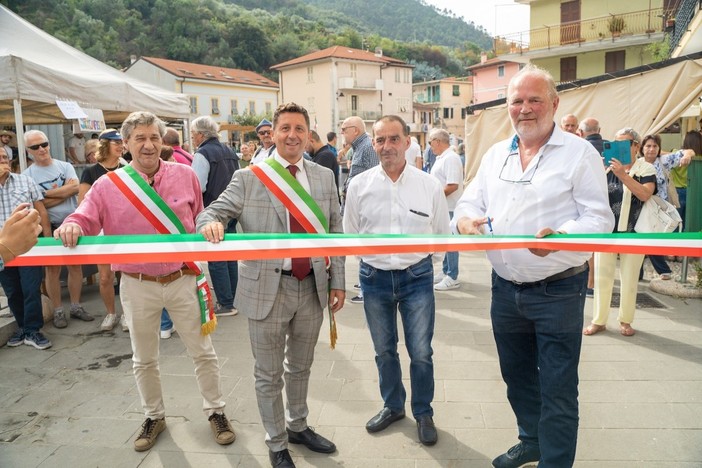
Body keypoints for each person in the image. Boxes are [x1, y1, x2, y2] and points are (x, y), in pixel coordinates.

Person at [452, 64, 614, 468]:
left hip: (557, 289)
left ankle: (555, 461)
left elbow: (600, 219)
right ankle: (532, 440)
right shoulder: (496, 155)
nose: (525, 109)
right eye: (516, 101)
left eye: (534, 100)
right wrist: (466, 221)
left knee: (558, 386)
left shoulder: (580, 154)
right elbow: (470, 203)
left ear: (554, 103)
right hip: (505, 289)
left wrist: (560, 235)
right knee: (517, 376)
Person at [54, 111, 236, 452]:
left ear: (162, 141)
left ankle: (216, 411)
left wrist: (208, 225)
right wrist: (73, 225)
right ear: (126, 144)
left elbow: (199, 215)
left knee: (203, 353)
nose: (148, 145)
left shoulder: (185, 175)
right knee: (144, 358)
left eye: (154, 137)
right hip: (137, 283)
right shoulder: (108, 185)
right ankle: (154, 416)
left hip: (183, 277)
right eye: (140, 138)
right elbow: (84, 216)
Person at [197, 102, 345, 468]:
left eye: (299, 129)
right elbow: (211, 211)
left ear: (309, 134)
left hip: (312, 287)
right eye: (285, 128)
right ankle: (277, 442)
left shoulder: (324, 177)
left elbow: (336, 233)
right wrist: (209, 225)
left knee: (302, 365)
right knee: (268, 373)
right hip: (267, 287)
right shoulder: (250, 177)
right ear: (273, 134)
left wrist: (337, 281)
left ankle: (298, 426)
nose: (292, 135)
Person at [344, 115, 448, 446]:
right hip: (374, 278)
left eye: (393, 139)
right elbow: (350, 233)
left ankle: (423, 411)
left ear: (406, 142)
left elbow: (442, 235)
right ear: (373, 144)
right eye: (380, 140)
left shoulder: (428, 184)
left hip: (416, 277)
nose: (386, 146)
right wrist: (370, 264)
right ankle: (392, 406)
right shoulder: (359, 185)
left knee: (420, 351)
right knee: (383, 350)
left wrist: (427, 268)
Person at [585, 127, 655, 338]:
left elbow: (644, 195)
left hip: (634, 232)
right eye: (615, 143)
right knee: (602, 276)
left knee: (630, 277)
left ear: (636, 146)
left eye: (623, 143)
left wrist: (623, 175)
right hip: (606, 231)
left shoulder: (646, 169)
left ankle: (625, 320)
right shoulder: (607, 169)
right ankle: (599, 320)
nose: (618, 147)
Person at [23, 130, 91, 328]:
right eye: (36, 147)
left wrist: (44, 195)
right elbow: (37, 205)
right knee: (52, 269)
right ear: (28, 151)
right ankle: (59, 310)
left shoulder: (65, 165)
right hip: (49, 226)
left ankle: (76, 306)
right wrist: (62, 193)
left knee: (75, 266)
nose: (42, 149)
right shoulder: (27, 176)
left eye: (44, 144)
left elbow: (75, 188)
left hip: (71, 222)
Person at [0, 146, 52, 349]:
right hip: (3, 249)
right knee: (12, 291)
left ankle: (33, 330)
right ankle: (22, 327)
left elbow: (41, 211)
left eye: (5, 157)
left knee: (31, 288)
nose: (3, 160)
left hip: (29, 247)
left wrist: (47, 241)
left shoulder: (25, 181)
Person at [190, 115, 240, 318]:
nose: (193, 139)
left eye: (193, 135)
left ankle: (226, 303)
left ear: (201, 135)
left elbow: (197, 186)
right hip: (232, 208)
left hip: (213, 210)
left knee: (217, 257)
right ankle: (234, 298)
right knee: (230, 256)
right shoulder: (229, 150)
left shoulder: (203, 153)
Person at [77, 128, 126, 332]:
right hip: (102, 230)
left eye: (122, 143)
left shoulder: (127, 168)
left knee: (126, 275)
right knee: (105, 276)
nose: (121, 146)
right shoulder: (91, 171)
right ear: (105, 145)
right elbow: (83, 202)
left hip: (124, 227)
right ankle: (111, 313)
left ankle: (126, 314)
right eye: (117, 143)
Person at [638, 133, 693, 279]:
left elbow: (689, 151)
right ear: (642, 148)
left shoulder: (663, 161)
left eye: (655, 146)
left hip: (658, 208)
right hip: (639, 206)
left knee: (649, 238)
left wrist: (687, 155)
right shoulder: (638, 163)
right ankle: (650, 272)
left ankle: (662, 271)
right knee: (641, 238)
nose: (651, 149)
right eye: (648, 146)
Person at [341, 116, 379, 304]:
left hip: (366, 208)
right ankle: (365, 284)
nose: (342, 133)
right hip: (359, 207)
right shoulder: (358, 147)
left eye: (344, 129)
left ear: (355, 130)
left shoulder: (367, 148)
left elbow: (374, 178)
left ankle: (368, 290)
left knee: (365, 248)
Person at [428, 128, 464, 291]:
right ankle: (445, 271)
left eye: (430, 142)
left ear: (438, 141)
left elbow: (452, 185)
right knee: (444, 239)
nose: (430, 146)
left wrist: (433, 197)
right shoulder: (443, 158)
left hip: (450, 206)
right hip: (443, 206)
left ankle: (452, 275)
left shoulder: (451, 158)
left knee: (450, 241)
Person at [670, 130, 702, 227]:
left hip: (676, 193)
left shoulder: (675, 154)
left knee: (675, 225)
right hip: (695, 193)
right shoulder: (700, 158)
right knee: (691, 224)